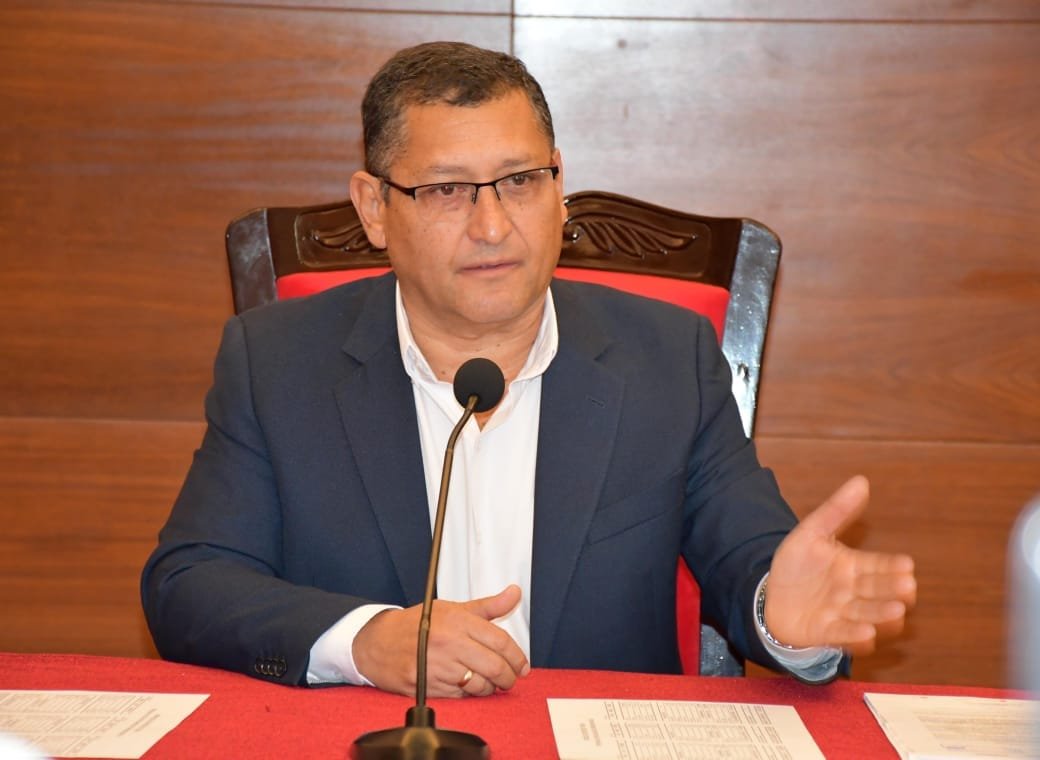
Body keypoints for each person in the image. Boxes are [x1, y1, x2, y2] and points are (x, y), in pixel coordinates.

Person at [141, 41, 916, 698]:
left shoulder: (667, 360)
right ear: (375, 208)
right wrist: (365, 641)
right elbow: (190, 584)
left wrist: (781, 614)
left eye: (519, 181)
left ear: (558, 186)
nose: (492, 226)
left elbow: (750, 554)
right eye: (447, 190)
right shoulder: (278, 362)